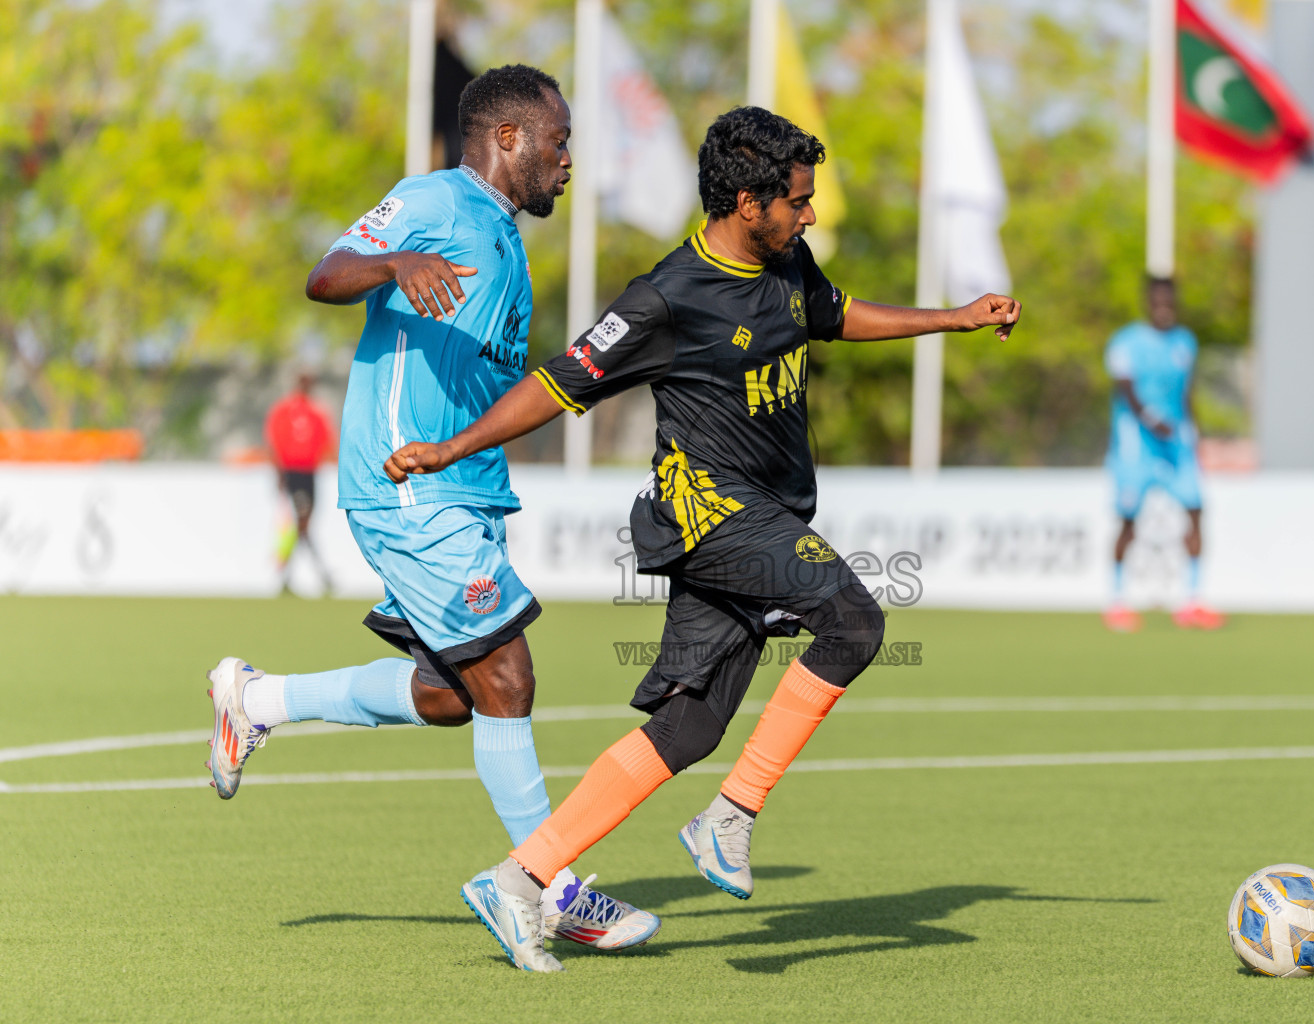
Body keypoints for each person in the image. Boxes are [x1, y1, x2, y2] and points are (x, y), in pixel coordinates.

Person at [384, 106, 1021, 970]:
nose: (811, 214)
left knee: (689, 728)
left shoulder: (788, 258)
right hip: (709, 511)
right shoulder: (666, 298)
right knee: (855, 623)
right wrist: (452, 448)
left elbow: (833, 316)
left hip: (769, 511)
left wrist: (953, 318)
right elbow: (561, 383)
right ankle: (732, 816)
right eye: (798, 201)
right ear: (749, 201)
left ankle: (522, 878)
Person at [204, 64, 658, 973]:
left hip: (463, 493)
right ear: (506, 139)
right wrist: (395, 263)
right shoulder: (436, 202)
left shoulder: (502, 236)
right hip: (408, 484)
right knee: (510, 678)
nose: (568, 161)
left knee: (457, 695)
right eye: (557, 143)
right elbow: (326, 276)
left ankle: (255, 701)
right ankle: (548, 888)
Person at [1101, 276, 1223, 632]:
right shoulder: (1126, 342)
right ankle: (1117, 601)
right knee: (1128, 520)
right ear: (1148, 302)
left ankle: (1193, 600)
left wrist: (1196, 436)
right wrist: (1154, 421)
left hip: (1176, 444)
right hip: (1136, 446)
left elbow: (1187, 394)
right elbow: (1125, 390)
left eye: (1169, 300)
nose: (1164, 306)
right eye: (1158, 300)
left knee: (1197, 509)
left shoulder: (1185, 342)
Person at [265, 371, 336, 594]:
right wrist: (279, 473)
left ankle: (287, 577)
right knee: (302, 520)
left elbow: (327, 442)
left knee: (303, 524)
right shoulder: (284, 410)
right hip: (292, 472)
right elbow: (275, 441)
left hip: (309, 473)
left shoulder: (317, 411)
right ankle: (320, 573)